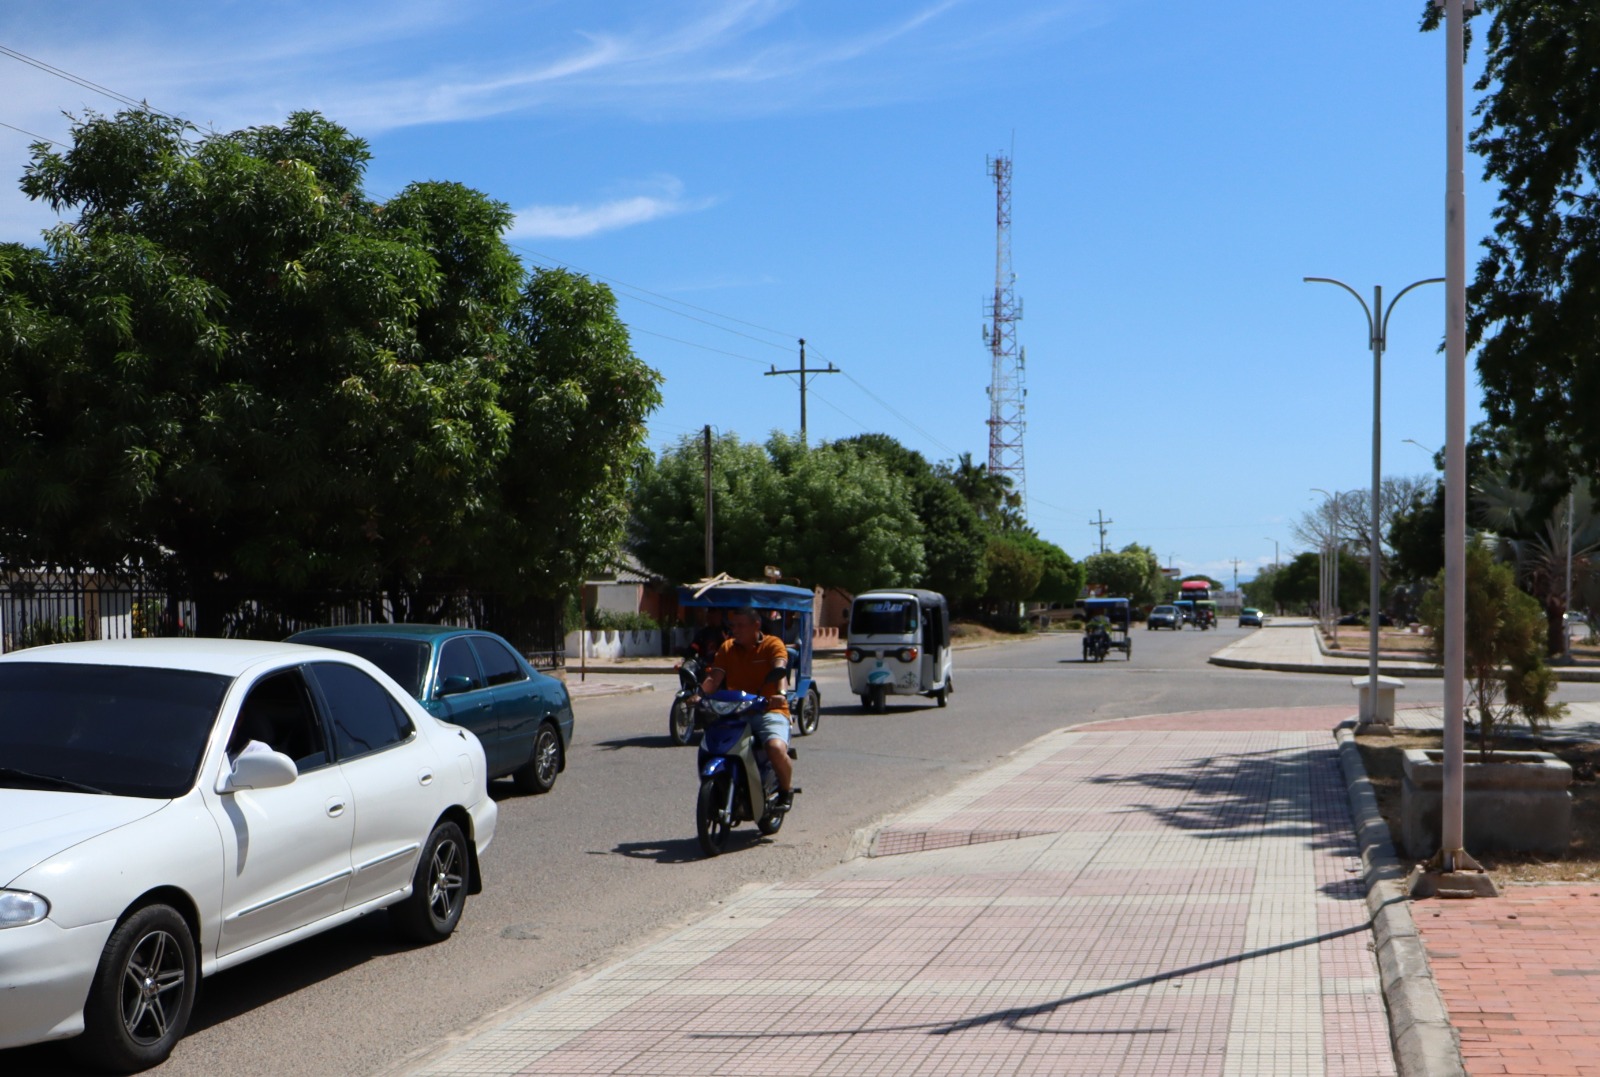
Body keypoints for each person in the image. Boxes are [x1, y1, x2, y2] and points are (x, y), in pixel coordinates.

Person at [700, 606, 795, 810]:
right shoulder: (727, 648)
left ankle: (787, 791)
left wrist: (781, 695)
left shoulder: (772, 644)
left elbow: (780, 668)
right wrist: (698, 695)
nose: (736, 630)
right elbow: (714, 678)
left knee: (775, 748)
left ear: (756, 625)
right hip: (736, 711)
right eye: (734, 626)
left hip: (769, 710)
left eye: (742, 626)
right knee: (714, 744)